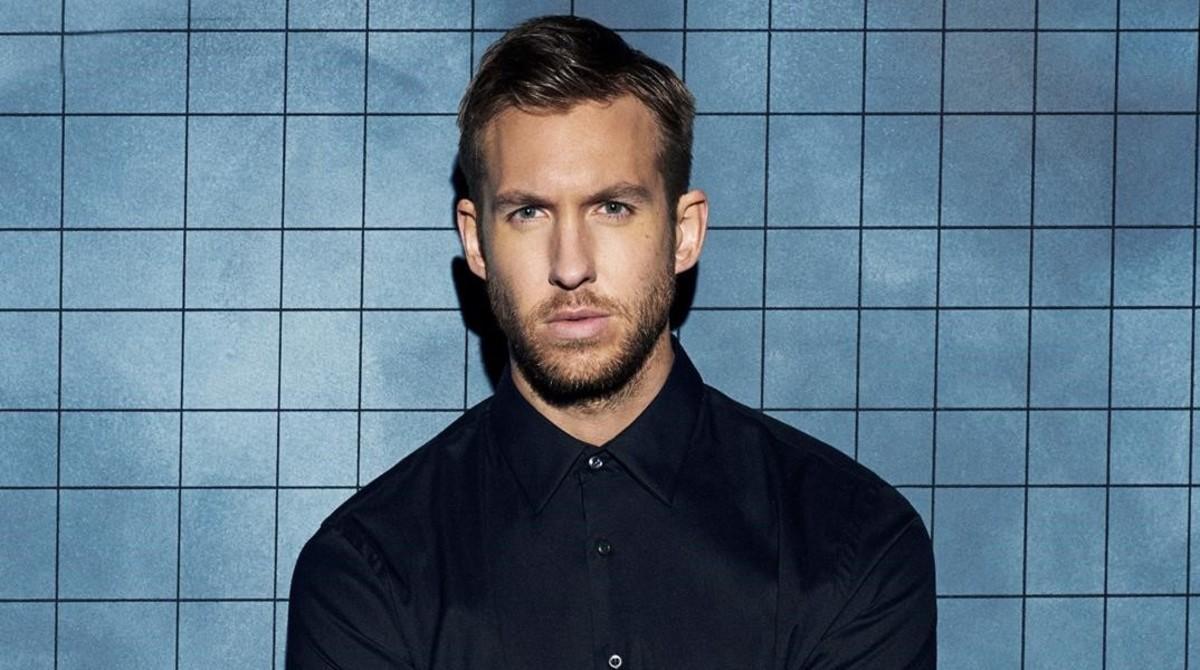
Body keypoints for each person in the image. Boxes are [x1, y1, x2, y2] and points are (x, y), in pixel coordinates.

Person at [286, 15, 935, 669]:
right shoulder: (369, 571)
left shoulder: (850, 541)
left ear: (684, 232)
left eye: (613, 208)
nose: (571, 266)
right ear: (477, 241)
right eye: (529, 212)